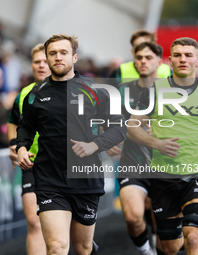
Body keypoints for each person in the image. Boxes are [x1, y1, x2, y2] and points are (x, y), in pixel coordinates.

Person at [16, 34, 126, 255]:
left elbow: (119, 127)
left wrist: (94, 145)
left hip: (86, 178)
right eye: (53, 53)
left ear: (74, 57)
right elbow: (26, 127)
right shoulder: (35, 94)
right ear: (46, 58)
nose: (58, 57)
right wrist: (21, 148)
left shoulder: (96, 90)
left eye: (63, 53)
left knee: (83, 248)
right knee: (57, 247)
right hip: (50, 179)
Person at [127, 37, 198, 255]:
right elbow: (132, 126)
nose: (183, 59)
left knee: (194, 237)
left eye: (188, 55)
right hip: (163, 175)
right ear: (170, 60)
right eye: (177, 55)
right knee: (170, 247)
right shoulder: (154, 90)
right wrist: (156, 143)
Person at [117, 41, 163, 255]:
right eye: (139, 57)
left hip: (165, 165)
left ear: (159, 62)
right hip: (132, 162)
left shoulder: (172, 92)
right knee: (134, 217)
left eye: (148, 57)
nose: (143, 61)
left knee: (161, 223)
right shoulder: (122, 92)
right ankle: (147, 252)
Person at [7, 43, 50, 255]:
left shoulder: (71, 91)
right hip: (31, 163)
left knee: (63, 229)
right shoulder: (23, 94)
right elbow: (12, 122)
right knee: (35, 223)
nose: (41, 65)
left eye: (45, 61)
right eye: (37, 62)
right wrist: (14, 145)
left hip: (63, 165)